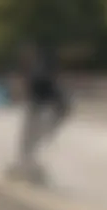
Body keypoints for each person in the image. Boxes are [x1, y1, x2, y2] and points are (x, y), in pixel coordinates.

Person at [15, 41, 69, 170]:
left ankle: (28, 162)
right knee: (32, 137)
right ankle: (28, 161)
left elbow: (40, 97)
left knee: (31, 137)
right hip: (50, 109)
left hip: (48, 110)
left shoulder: (38, 73)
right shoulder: (37, 71)